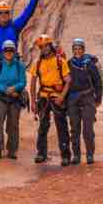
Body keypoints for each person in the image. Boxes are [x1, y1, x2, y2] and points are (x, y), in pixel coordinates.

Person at [29, 34, 72, 166]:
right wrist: (32, 101)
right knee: (43, 126)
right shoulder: (38, 63)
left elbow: (68, 81)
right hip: (43, 96)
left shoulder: (60, 61)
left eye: (45, 46)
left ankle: (65, 156)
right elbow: (33, 82)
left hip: (56, 96)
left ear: (50, 46)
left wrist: (62, 96)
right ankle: (41, 153)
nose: (43, 49)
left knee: (62, 126)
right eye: (41, 47)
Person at [0, 40, 27, 160]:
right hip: (1, 98)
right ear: (3, 52)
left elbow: (23, 81)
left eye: (11, 50)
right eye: (6, 50)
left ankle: (12, 150)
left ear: (14, 52)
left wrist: (14, 88)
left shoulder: (20, 66)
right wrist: (6, 90)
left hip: (15, 99)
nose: (9, 52)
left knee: (13, 125)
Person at [67, 38, 103, 165]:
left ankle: (89, 154)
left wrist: (98, 99)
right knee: (74, 128)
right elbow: (65, 82)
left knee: (88, 129)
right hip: (72, 99)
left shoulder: (89, 64)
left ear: (83, 50)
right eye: (75, 49)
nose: (77, 51)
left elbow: (98, 82)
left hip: (87, 97)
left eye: (79, 49)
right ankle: (76, 155)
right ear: (72, 50)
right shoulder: (69, 64)